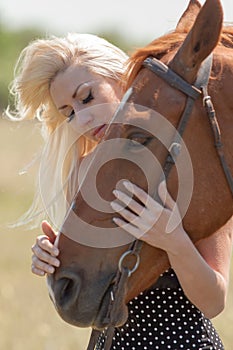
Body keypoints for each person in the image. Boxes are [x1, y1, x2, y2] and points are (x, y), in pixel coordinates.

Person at [9, 32, 232, 350]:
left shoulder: (187, 164)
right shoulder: (83, 172)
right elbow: (89, 295)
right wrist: (54, 263)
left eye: (86, 97)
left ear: (121, 77)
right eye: (69, 112)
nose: (82, 117)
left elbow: (214, 302)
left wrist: (172, 240)